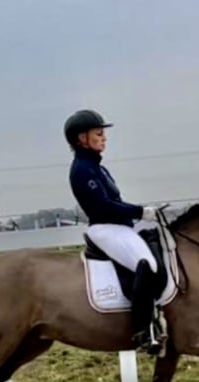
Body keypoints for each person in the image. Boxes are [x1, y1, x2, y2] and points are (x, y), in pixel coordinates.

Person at [64, 109, 161, 354]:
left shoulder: (98, 167)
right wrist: (140, 212)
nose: (104, 138)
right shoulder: (82, 170)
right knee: (145, 262)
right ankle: (143, 330)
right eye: (98, 133)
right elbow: (104, 206)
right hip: (104, 228)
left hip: (117, 226)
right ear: (81, 139)